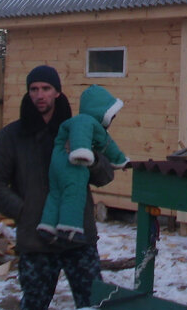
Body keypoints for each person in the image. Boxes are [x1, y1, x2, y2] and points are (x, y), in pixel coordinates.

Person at [0, 65, 119, 310]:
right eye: (34, 89)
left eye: (45, 89)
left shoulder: (77, 127)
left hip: (78, 238)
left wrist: (88, 157)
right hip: (36, 241)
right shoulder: (13, 136)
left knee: (94, 309)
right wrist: (26, 211)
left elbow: (105, 175)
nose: (39, 95)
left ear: (57, 92)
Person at [38, 84, 127, 244]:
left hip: (56, 164)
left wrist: (120, 161)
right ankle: (69, 228)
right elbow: (84, 136)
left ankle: (47, 226)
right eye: (111, 114)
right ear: (100, 111)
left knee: (56, 194)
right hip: (73, 164)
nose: (113, 119)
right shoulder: (85, 120)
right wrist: (82, 152)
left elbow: (107, 145)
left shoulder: (88, 125)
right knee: (74, 193)